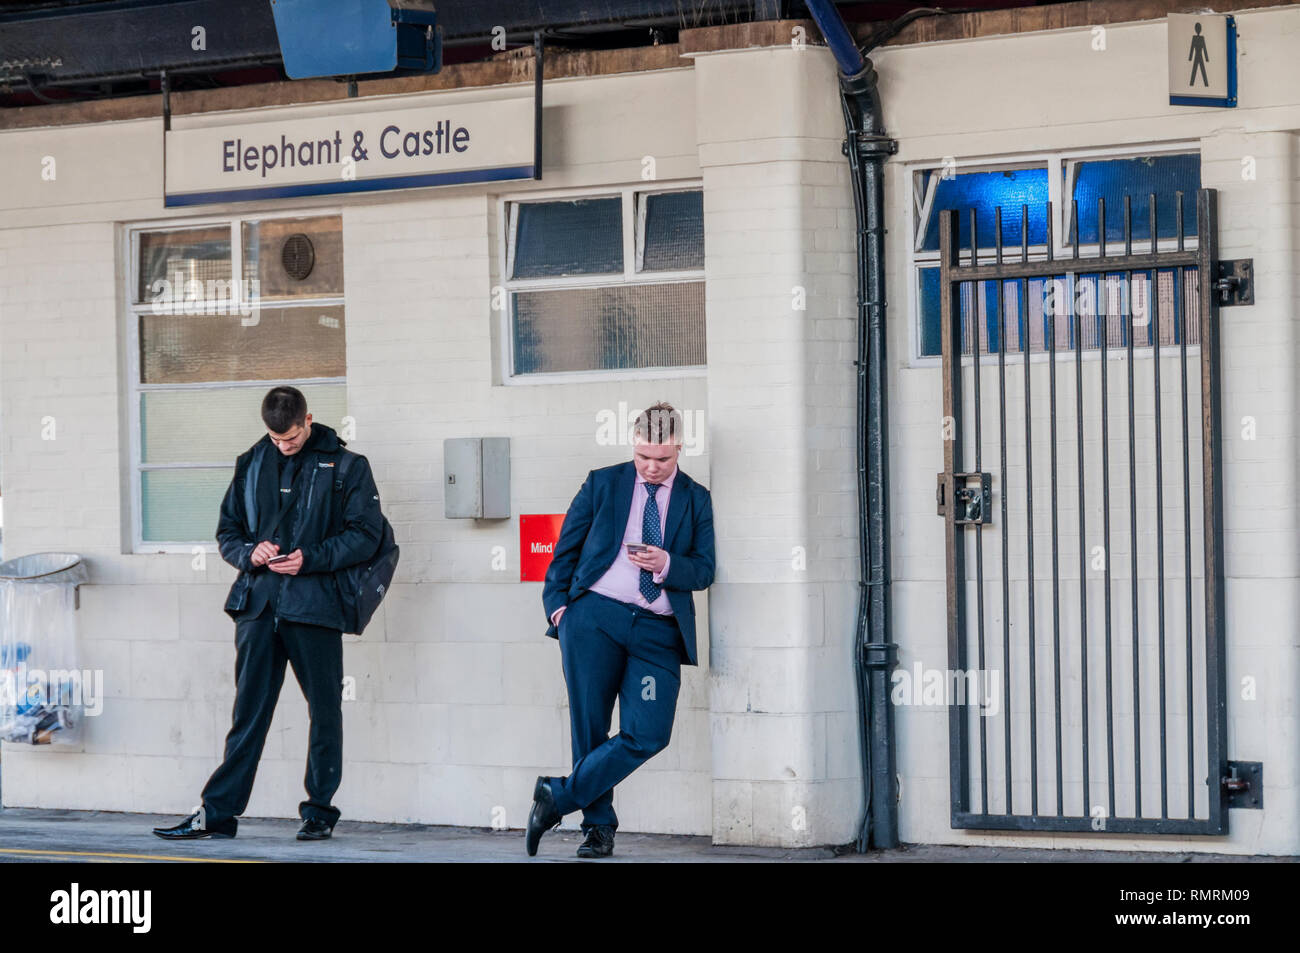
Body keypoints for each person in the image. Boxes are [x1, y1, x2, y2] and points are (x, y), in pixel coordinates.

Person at [153, 385, 384, 842]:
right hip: (258, 607)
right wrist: (248, 551)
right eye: (277, 439)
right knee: (248, 713)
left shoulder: (348, 466)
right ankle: (217, 813)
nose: (285, 445)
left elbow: (367, 534)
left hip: (315, 607)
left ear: (309, 420)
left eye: (293, 438)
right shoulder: (250, 461)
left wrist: (310, 558)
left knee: (324, 710)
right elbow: (227, 532)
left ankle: (318, 811)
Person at [527, 401, 715, 858]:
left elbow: (704, 570)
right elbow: (565, 549)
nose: (652, 468)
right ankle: (597, 829)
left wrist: (668, 564)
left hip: (656, 629)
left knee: (648, 732)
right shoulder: (603, 483)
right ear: (633, 445)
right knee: (589, 726)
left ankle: (558, 797)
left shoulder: (695, 497)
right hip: (594, 618)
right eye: (643, 457)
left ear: (680, 448)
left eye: (663, 459)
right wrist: (559, 609)